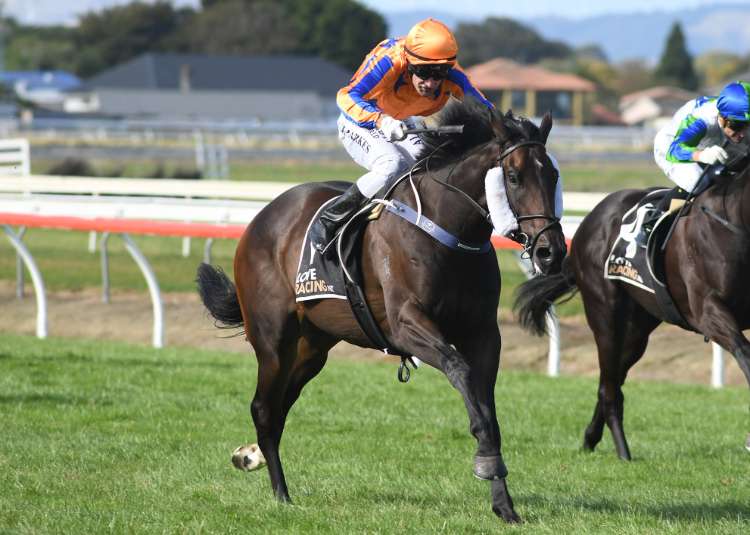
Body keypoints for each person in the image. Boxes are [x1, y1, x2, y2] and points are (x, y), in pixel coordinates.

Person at [308, 18, 496, 253]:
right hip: (360, 120)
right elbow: (346, 96)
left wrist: (513, 127)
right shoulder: (389, 60)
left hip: (399, 120)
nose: (431, 83)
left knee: (427, 167)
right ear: (409, 63)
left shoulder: (454, 75)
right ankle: (330, 220)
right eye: (423, 72)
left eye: (439, 74)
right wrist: (381, 120)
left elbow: (487, 111)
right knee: (392, 165)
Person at [638, 81, 750, 245]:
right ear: (723, 117)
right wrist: (700, 155)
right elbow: (675, 150)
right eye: (738, 126)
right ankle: (654, 217)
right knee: (699, 181)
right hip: (672, 148)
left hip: (712, 143)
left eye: (747, 125)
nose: (743, 133)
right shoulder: (703, 119)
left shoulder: (735, 116)